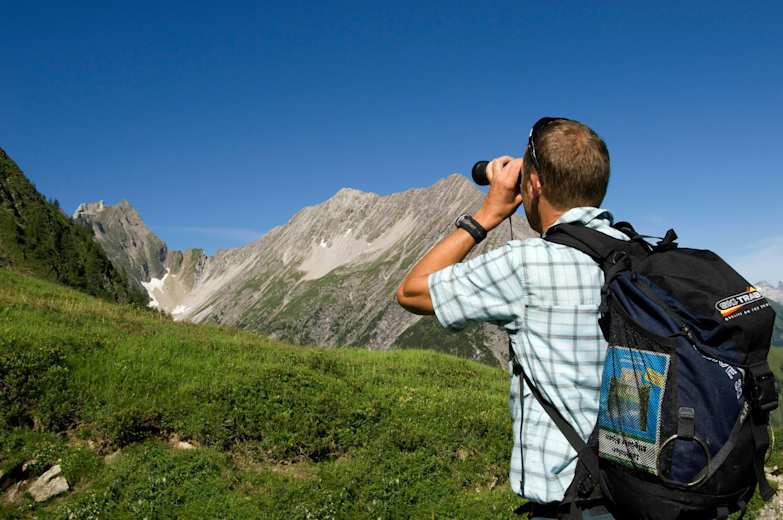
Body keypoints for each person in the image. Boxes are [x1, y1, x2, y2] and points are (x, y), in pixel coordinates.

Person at [395, 117, 621, 519]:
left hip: (572, 502)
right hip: (644, 493)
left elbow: (411, 291)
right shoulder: (636, 254)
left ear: (533, 184)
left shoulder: (526, 265)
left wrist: (486, 214)